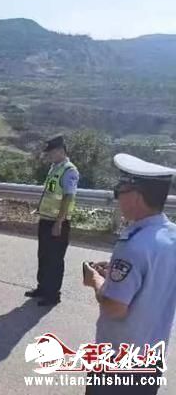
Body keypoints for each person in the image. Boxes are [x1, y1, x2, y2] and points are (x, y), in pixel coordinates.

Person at [83, 153, 176, 395]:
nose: (117, 199)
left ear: (136, 196)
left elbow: (115, 307)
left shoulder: (132, 246)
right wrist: (114, 270)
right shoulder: (171, 236)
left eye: (120, 191)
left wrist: (96, 280)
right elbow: (156, 277)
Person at [25, 135, 80, 306]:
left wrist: (59, 222)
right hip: (46, 219)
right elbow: (50, 193)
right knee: (43, 255)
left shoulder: (69, 170)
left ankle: (53, 294)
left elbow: (68, 197)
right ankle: (42, 288)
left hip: (58, 222)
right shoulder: (55, 168)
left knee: (54, 259)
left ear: (61, 151)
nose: (48, 155)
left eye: (51, 152)